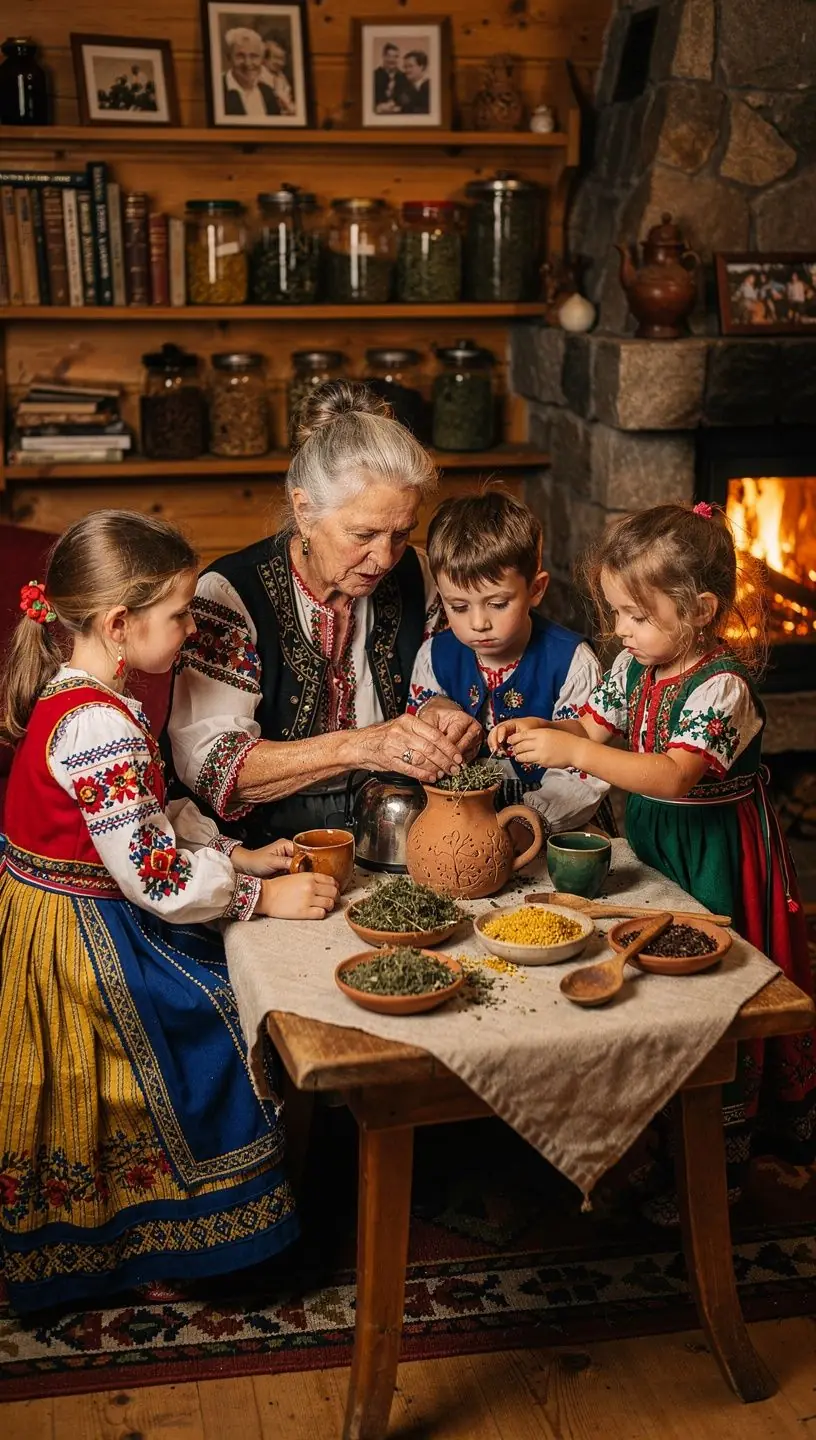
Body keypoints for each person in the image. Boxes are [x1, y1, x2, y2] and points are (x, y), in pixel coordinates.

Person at [0, 512, 339, 1313]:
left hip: (86, 907)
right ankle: (163, 1235)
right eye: (180, 614)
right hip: (79, 938)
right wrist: (259, 896)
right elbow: (154, 875)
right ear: (120, 624)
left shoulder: (94, 698)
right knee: (216, 1011)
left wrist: (236, 850)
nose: (191, 629)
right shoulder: (95, 727)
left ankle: (157, 1227)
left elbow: (150, 817)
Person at [490, 501, 816, 1215]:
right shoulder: (635, 665)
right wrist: (546, 726)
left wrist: (578, 755)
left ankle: (716, 1167)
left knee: (714, 987)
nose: (620, 631)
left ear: (699, 610)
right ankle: (659, 1147)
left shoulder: (721, 686)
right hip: (654, 841)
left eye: (636, 615)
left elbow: (672, 774)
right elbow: (592, 722)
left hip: (717, 851)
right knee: (649, 983)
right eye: (615, 613)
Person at [167, 383, 478, 844]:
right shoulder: (230, 596)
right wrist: (360, 745)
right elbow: (213, 767)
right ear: (305, 511)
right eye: (364, 534)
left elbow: (449, 677)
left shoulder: (420, 575)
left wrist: (442, 712)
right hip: (264, 848)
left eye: (400, 533)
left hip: (398, 828)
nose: (385, 557)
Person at [408, 492, 609, 836]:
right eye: (458, 607)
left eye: (498, 604)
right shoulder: (434, 656)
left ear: (535, 589)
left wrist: (524, 826)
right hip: (460, 828)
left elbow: (584, 771)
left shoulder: (572, 662)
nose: (478, 623)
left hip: (554, 829)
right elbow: (418, 748)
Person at [222, 26, 281, 117]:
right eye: (240, 56)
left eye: (254, 56)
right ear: (229, 58)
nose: (248, 63)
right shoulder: (219, 90)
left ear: (262, 59)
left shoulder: (268, 93)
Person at [261, 37, 296, 116]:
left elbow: (287, 95)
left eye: (282, 59)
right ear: (265, 59)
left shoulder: (280, 75)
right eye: (276, 58)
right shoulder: (260, 75)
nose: (280, 63)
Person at [373, 42, 409, 114]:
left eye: (395, 56)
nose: (392, 60)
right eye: (389, 56)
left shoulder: (405, 77)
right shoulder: (373, 76)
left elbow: (407, 99)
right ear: (383, 56)